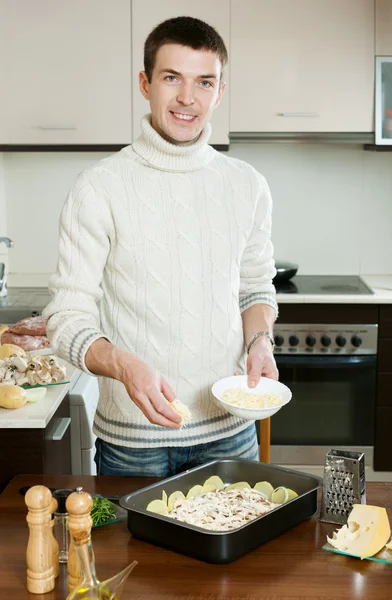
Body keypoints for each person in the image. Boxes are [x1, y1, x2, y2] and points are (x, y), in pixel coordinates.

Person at [43, 16, 278, 478]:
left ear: (220, 92)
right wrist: (125, 366)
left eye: (204, 82)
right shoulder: (98, 188)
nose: (188, 98)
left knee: (245, 551)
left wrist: (260, 341)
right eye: (172, 78)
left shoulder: (247, 185)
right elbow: (65, 318)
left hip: (231, 431)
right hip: (135, 443)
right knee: (133, 554)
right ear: (145, 83)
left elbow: (254, 288)